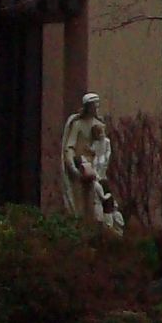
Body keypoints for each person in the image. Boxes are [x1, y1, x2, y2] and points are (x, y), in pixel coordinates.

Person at [60, 92, 121, 232]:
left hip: (97, 171)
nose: (96, 108)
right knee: (80, 205)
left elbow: (103, 149)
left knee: (97, 201)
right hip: (81, 169)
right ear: (88, 106)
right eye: (94, 105)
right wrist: (72, 167)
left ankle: (99, 229)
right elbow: (70, 147)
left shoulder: (99, 125)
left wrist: (101, 164)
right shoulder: (78, 125)